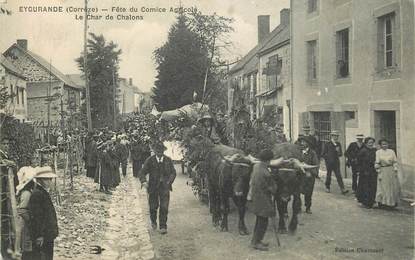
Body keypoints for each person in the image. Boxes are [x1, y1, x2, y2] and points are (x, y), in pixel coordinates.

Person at [139, 141, 176, 234]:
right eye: (157, 151)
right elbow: (142, 172)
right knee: (153, 207)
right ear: (155, 151)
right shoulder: (150, 160)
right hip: (152, 187)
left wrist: (169, 181)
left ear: (163, 151)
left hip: (164, 187)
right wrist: (144, 181)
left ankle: (163, 226)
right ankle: (153, 221)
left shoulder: (168, 160)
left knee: (164, 207)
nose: (159, 153)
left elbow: (173, 173)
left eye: (161, 151)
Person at [250, 149, 277, 251]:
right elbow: (272, 189)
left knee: (259, 221)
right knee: (263, 222)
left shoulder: (256, 166)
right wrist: (274, 185)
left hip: (256, 198)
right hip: (263, 199)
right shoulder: (266, 172)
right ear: (268, 160)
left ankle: (255, 240)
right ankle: (257, 243)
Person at [29, 167, 59, 260]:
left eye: (51, 179)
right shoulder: (37, 194)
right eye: (47, 179)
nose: (50, 182)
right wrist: (39, 235)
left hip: (48, 234)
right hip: (43, 236)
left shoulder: (43, 192)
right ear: (40, 180)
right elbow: (37, 216)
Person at [16, 167, 36, 260]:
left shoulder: (27, 192)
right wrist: (31, 220)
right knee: (26, 245)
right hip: (24, 223)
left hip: (24, 222)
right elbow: (22, 209)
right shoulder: (27, 193)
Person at [375, 139, 400, 209]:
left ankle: (391, 203)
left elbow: (395, 161)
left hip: (391, 170)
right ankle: (383, 203)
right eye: (383, 144)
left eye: (386, 144)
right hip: (383, 170)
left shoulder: (391, 151)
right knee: (383, 187)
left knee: (392, 187)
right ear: (380, 145)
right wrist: (378, 170)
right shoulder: (378, 152)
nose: (385, 145)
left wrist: (395, 169)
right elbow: (377, 163)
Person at [322, 130, 349, 194]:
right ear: (332, 136)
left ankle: (342, 189)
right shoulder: (327, 144)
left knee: (338, 175)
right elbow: (323, 154)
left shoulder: (338, 144)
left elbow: (340, 154)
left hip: (336, 162)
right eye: (334, 136)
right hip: (329, 163)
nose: (336, 137)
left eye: (337, 136)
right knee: (329, 175)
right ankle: (327, 187)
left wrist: (338, 151)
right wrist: (328, 158)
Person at [299, 137, 319, 214]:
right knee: (297, 192)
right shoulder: (298, 152)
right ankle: (298, 206)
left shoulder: (312, 153)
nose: (302, 143)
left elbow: (316, 165)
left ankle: (308, 207)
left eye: (304, 142)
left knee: (308, 192)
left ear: (308, 144)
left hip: (309, 177)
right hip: (299, 175)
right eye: (301, 142)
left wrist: (311, 173)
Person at [356, 137, 377, 208]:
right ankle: (366, 202)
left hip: (373, 171)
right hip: (365, 171)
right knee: (365, 187)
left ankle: (371, 201)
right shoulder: (363, 151)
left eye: (372, 143)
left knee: (372, 187)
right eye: (369, 143)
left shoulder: (375, 150)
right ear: (366, 143)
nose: (371, 144)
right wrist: (359, 170)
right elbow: (358, 161)